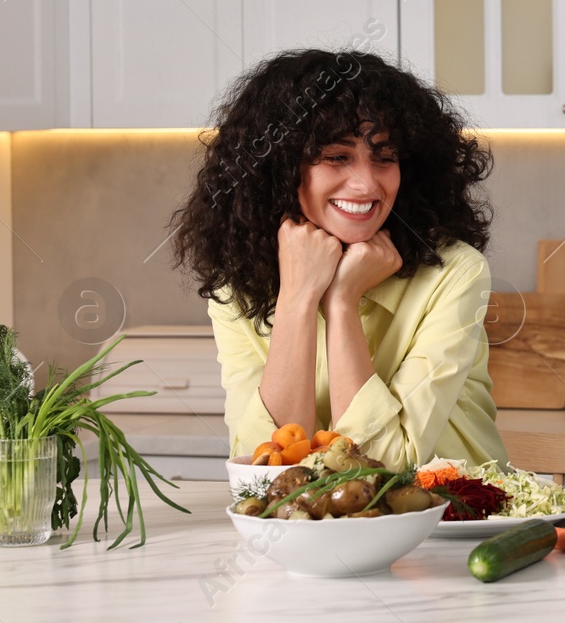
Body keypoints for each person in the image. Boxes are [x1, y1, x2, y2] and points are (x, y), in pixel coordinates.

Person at [172, 48, 506, 473]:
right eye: (337, 156)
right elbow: (267, 471)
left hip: (455, 527)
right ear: (278, 168)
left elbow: (383, 466)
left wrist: (341, 300)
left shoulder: (456, 271)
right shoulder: (236, 283)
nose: (367, 184)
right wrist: (298, 295)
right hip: (310, 531)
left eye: (385, 158)